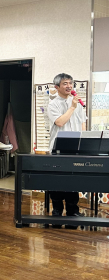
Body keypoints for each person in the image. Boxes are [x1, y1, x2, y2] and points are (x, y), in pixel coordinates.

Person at [47, 73, 87, 222]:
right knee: (56, 179)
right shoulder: (53, 104)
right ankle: (57, 210)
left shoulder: (77, 102)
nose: (69, 86)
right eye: (65, 83)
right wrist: (72, 107)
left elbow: (82, 123)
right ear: (57, 87)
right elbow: (59, 122)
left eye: (70, 83)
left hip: (75, 147)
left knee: (72, 179)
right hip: (58, 148)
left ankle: (72, 210)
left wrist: (83, 142)